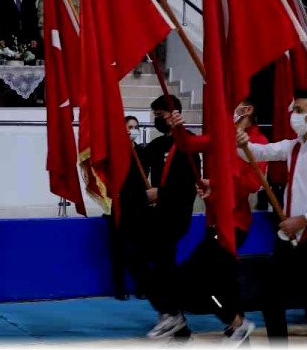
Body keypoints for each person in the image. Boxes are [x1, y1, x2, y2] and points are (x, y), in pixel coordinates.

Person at [151, 99, 266, 346]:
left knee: (192, 279)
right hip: (215, 225)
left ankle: (232, 323)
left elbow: (253, 184)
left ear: (247, 109)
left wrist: (216, 184)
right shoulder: (223, 136)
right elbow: (188, 144)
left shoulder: (257, 142)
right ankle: (235, 327)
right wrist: (179, 127)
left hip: (234, 225)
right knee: (221, 284)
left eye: (234, 104)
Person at [237, 90, 307, 342]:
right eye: (293, 109)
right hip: (289, 235)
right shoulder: (296, 145)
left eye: (298, 110)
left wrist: (303, 220)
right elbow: (260, 153)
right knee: (270, 295)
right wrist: (240, 142)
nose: (292, 115)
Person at [141, 95, 201, 340]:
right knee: (152, 264)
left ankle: (173, 315)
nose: (157, 120)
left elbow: (189, 185)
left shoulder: (188, 144)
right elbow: (139, 165)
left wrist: (161, 193)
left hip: (176, 213)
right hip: (157, 214)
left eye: (161, 115)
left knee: (164, 264)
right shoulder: (155, 146)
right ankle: (173, 316)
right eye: (154, 116)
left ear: (173, 113)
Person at [109, 116, 150, 300]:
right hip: (122, 204)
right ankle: (120, 286)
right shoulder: (117, 152)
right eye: (129, 127)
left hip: (140, 204)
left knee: (142, 247)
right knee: (121, 248)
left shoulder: (142, 152)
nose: (132, 130)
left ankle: (142, 286)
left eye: (135, 127)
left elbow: (145, 175)